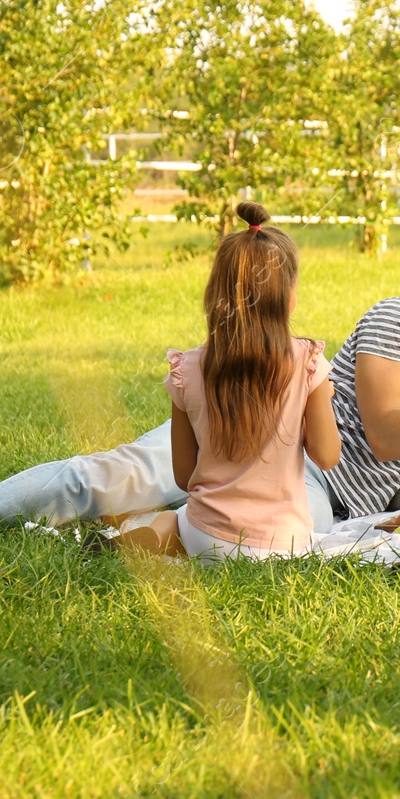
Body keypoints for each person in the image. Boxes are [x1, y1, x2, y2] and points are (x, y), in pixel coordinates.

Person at [0, 209, 400, 532]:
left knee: (263, 545)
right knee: (101, 481)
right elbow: (384, 432)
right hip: (250, 437)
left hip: (322, 500)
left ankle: (139, 536)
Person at [142, 202, 340, 563]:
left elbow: (185, 478)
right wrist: (317, 397)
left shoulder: (186, 369)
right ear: (288, 296)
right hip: (285, 545)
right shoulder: (308, 364)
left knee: (178, 517)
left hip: (206, 536)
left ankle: (154, 533)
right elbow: (327, 457)